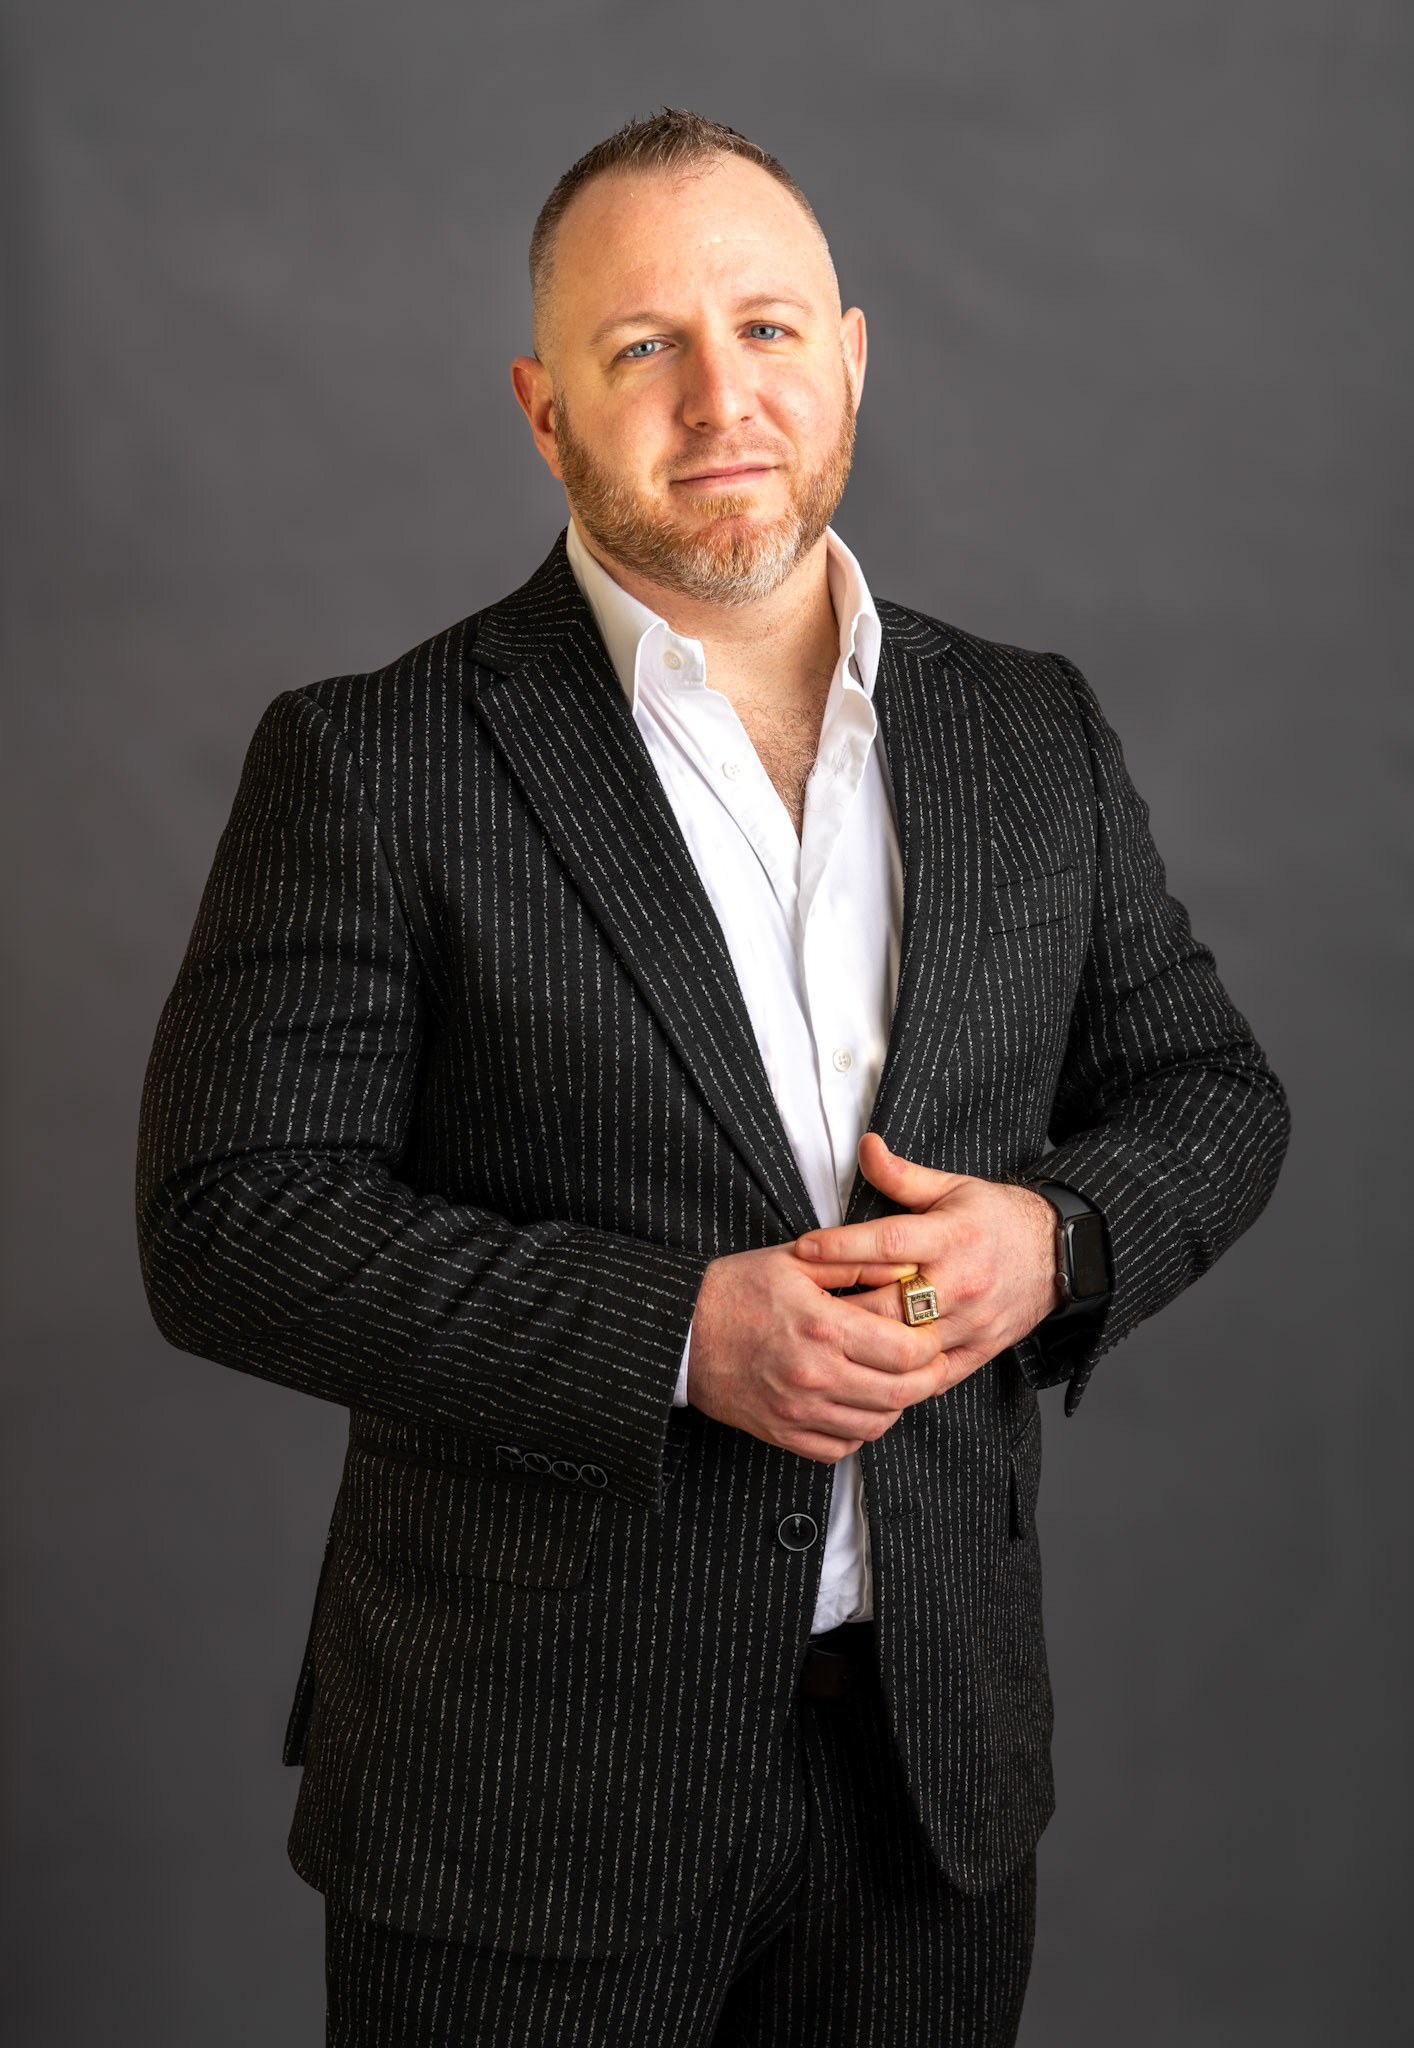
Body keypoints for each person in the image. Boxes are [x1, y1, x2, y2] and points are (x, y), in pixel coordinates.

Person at [136, 109, 1289, 2047]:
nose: (717, 395)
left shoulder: (1028, 731)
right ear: (543, 410)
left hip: (925, 1796)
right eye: (640, 346)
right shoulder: (371, 759)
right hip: (518, 1805)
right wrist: (672, 1335)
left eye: (763, 329)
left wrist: (1052, 1242)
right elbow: (227, 1222)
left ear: (849, 356)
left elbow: (1208, 1090)